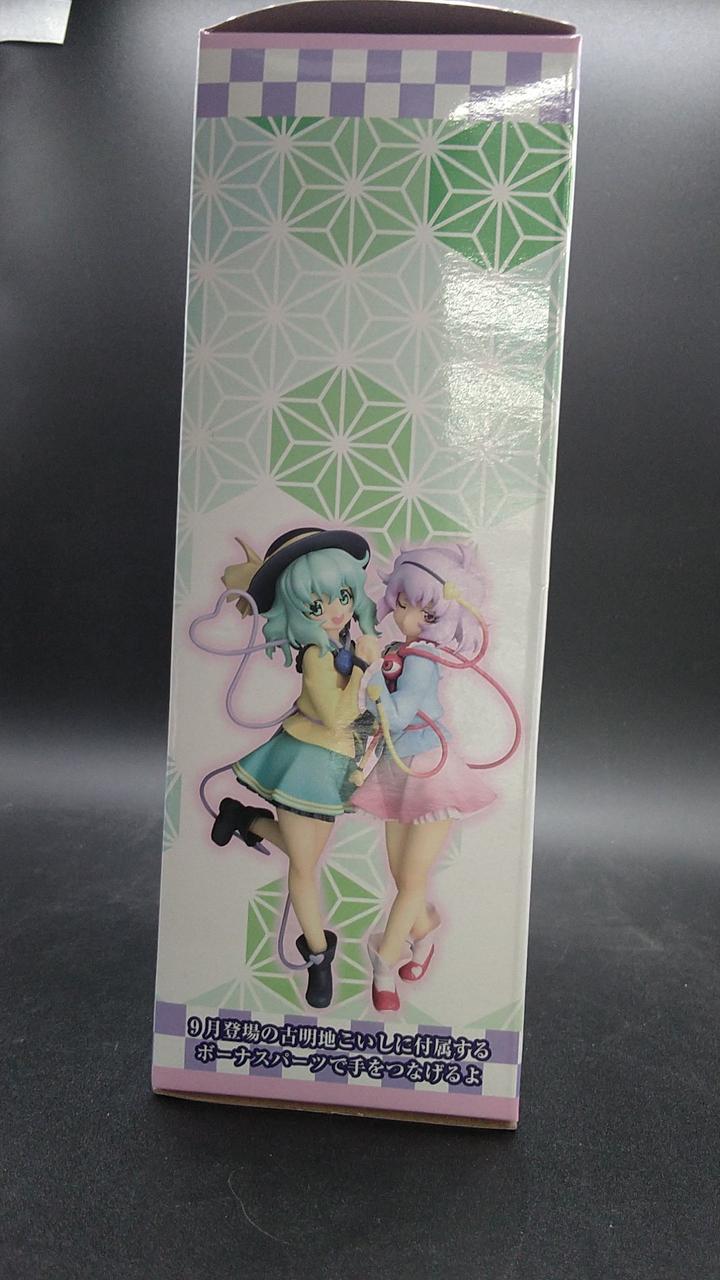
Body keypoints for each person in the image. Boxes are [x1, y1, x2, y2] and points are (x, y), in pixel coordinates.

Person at [208, 527, 379, 1009]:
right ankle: (319, 954)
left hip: (336, 763)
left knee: (306, 857)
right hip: (308, 759)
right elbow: (336, 715)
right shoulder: (318, 655)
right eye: (316, 604)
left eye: (342, 595)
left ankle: (245, 819)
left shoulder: (344, 640)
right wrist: (363, 668)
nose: (336, 610)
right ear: (297, 609)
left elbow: (358, 714)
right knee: (303, 869)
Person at [353, 544, 503, 1012]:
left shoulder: (421, 657)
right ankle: (426, 932)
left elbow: (397, 715)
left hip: (429, 769)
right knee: (404, 876)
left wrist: (370, 676)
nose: (407, 616)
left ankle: (383, 963)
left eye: (425, 612)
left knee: (412, 878)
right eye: (401, 604)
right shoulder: (402, 650)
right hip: (398, 767)